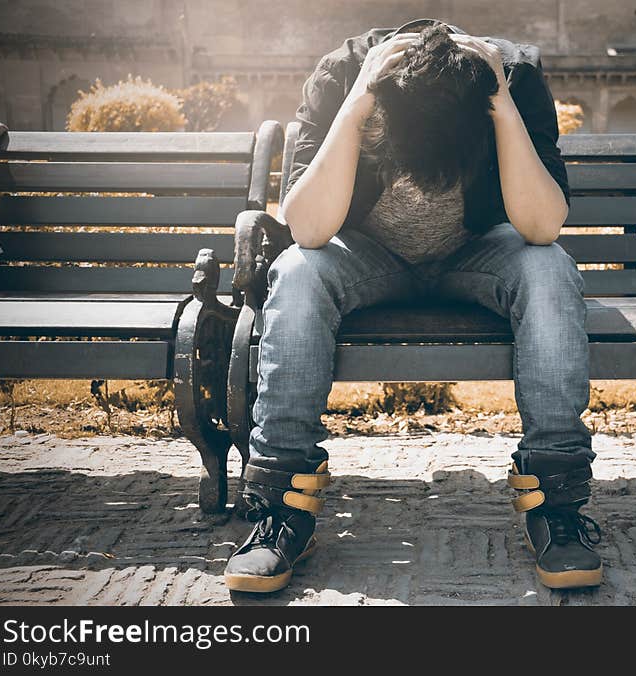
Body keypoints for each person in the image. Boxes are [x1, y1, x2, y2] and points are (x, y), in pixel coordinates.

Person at [224, 18, 601, 594]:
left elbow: (542, 226)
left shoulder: (513, 79)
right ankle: (279, 510)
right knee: (297, 272)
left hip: (478, 252)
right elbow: (307, 227)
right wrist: (356, 105)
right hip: (368, 254)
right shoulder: (343, 75)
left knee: (549, 269)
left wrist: (499, 106)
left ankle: (556, 503)